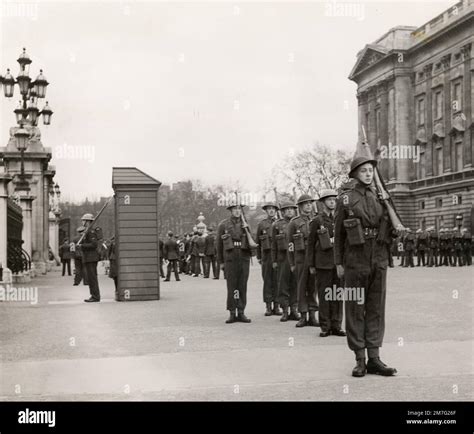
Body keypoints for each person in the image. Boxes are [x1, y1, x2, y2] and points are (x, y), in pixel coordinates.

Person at [334, 156, 398, 377]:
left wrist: (396, 230)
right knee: (354, 309)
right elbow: (338, 234)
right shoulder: (345, 199)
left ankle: (374, 358)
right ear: (355, 174)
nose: (368, 174)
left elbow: (391, 226)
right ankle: (359, 358)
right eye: (363, 171)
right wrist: (339, 263)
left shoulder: (382, 197)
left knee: (376, 308)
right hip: (355, 259)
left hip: (378, 257)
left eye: (370, 170)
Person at [308, 189, 345, 338]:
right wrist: (311, 264)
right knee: (324, 295)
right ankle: (325, 326)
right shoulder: (317, 221)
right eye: (328, 200)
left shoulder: (340, 218)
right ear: (323, 203)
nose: (332, 202)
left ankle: (337, 325)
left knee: (337, 295)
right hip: (323, 264)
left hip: (338, 264)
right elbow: (310, 244)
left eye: (333, 200)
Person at [216, 202, 253, 324]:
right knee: (232, 286)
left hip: (243, 257)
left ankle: (241, 311)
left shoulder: (245, 225)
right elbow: (219, 245)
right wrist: (221, 262)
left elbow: (251, 241)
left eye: (239, 209)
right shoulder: (224, 225)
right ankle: (232, 312)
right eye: (235, 209)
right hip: (230, 258)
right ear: (230, 211)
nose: (237, 211)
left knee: (242, 285)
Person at [287, 194, 319, 328]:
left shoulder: (317, 220)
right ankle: (303, 315)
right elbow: (290, 244)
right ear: (300, 207)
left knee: (313, 287)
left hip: (315, 257)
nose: (308, 206)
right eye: (305, 204)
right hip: (300, 257)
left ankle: (312, 315)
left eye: (310, 203)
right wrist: (292, 263)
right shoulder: (294, 223)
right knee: (301, 287)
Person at [271, 202, 300, 322]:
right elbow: (273, 244)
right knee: (283, 285)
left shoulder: (298, 223)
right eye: (286, 209)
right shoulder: (277, 225)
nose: (289, 211)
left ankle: (294, 309)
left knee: (295, 284)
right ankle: (285, 310)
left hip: (296, 257)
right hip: (283, 259)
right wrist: (274, 260)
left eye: (291, 209)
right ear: (282, 212)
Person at [257, 202, 281, 316]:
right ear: (266, 211)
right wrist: (259, 257)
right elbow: (258, 241)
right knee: (267, 281)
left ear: (276, 211)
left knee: (278, 281)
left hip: (278, 256)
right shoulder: (262, 224)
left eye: (273, 209)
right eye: (269, 209)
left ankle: (276, 305)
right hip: (266, 256)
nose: (271, 211)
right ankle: (268, 306)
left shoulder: (280, 223)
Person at [78, 213, 101, 303]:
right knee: (90, 278)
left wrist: (81, 246)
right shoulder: (87, 231)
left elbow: (94, 245)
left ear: (87, 221)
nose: (82, 222)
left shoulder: (91, 231)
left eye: (84, 220)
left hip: (91, 257)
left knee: (92, 278)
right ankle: (93, 295)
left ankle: (95, 296)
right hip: (88, 258)